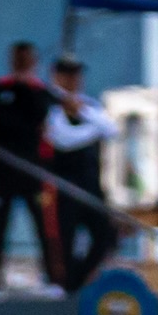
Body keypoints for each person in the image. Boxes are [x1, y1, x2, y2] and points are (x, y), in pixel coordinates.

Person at [45, 55, 119, 294]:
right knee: (65, 240)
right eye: (68, 74)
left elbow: (111, 128)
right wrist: (94, 130)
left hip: (91, 184)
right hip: (64, 184)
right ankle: (67, 286)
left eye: (77, 74)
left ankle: (76, 282)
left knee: (106, 235)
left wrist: (85, 114)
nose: (74, 80)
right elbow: (62, 139)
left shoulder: (88, 105)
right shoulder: (50, 104)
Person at [0, 41, 55, 289]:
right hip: (3, 170)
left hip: (32, 169)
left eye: (26, 60)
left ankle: (50, 278)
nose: (22, 64)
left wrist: (26, 88)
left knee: (41, 226)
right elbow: (3, 121)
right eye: (19, 59)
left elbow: (40, 116)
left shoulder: (40, 91)